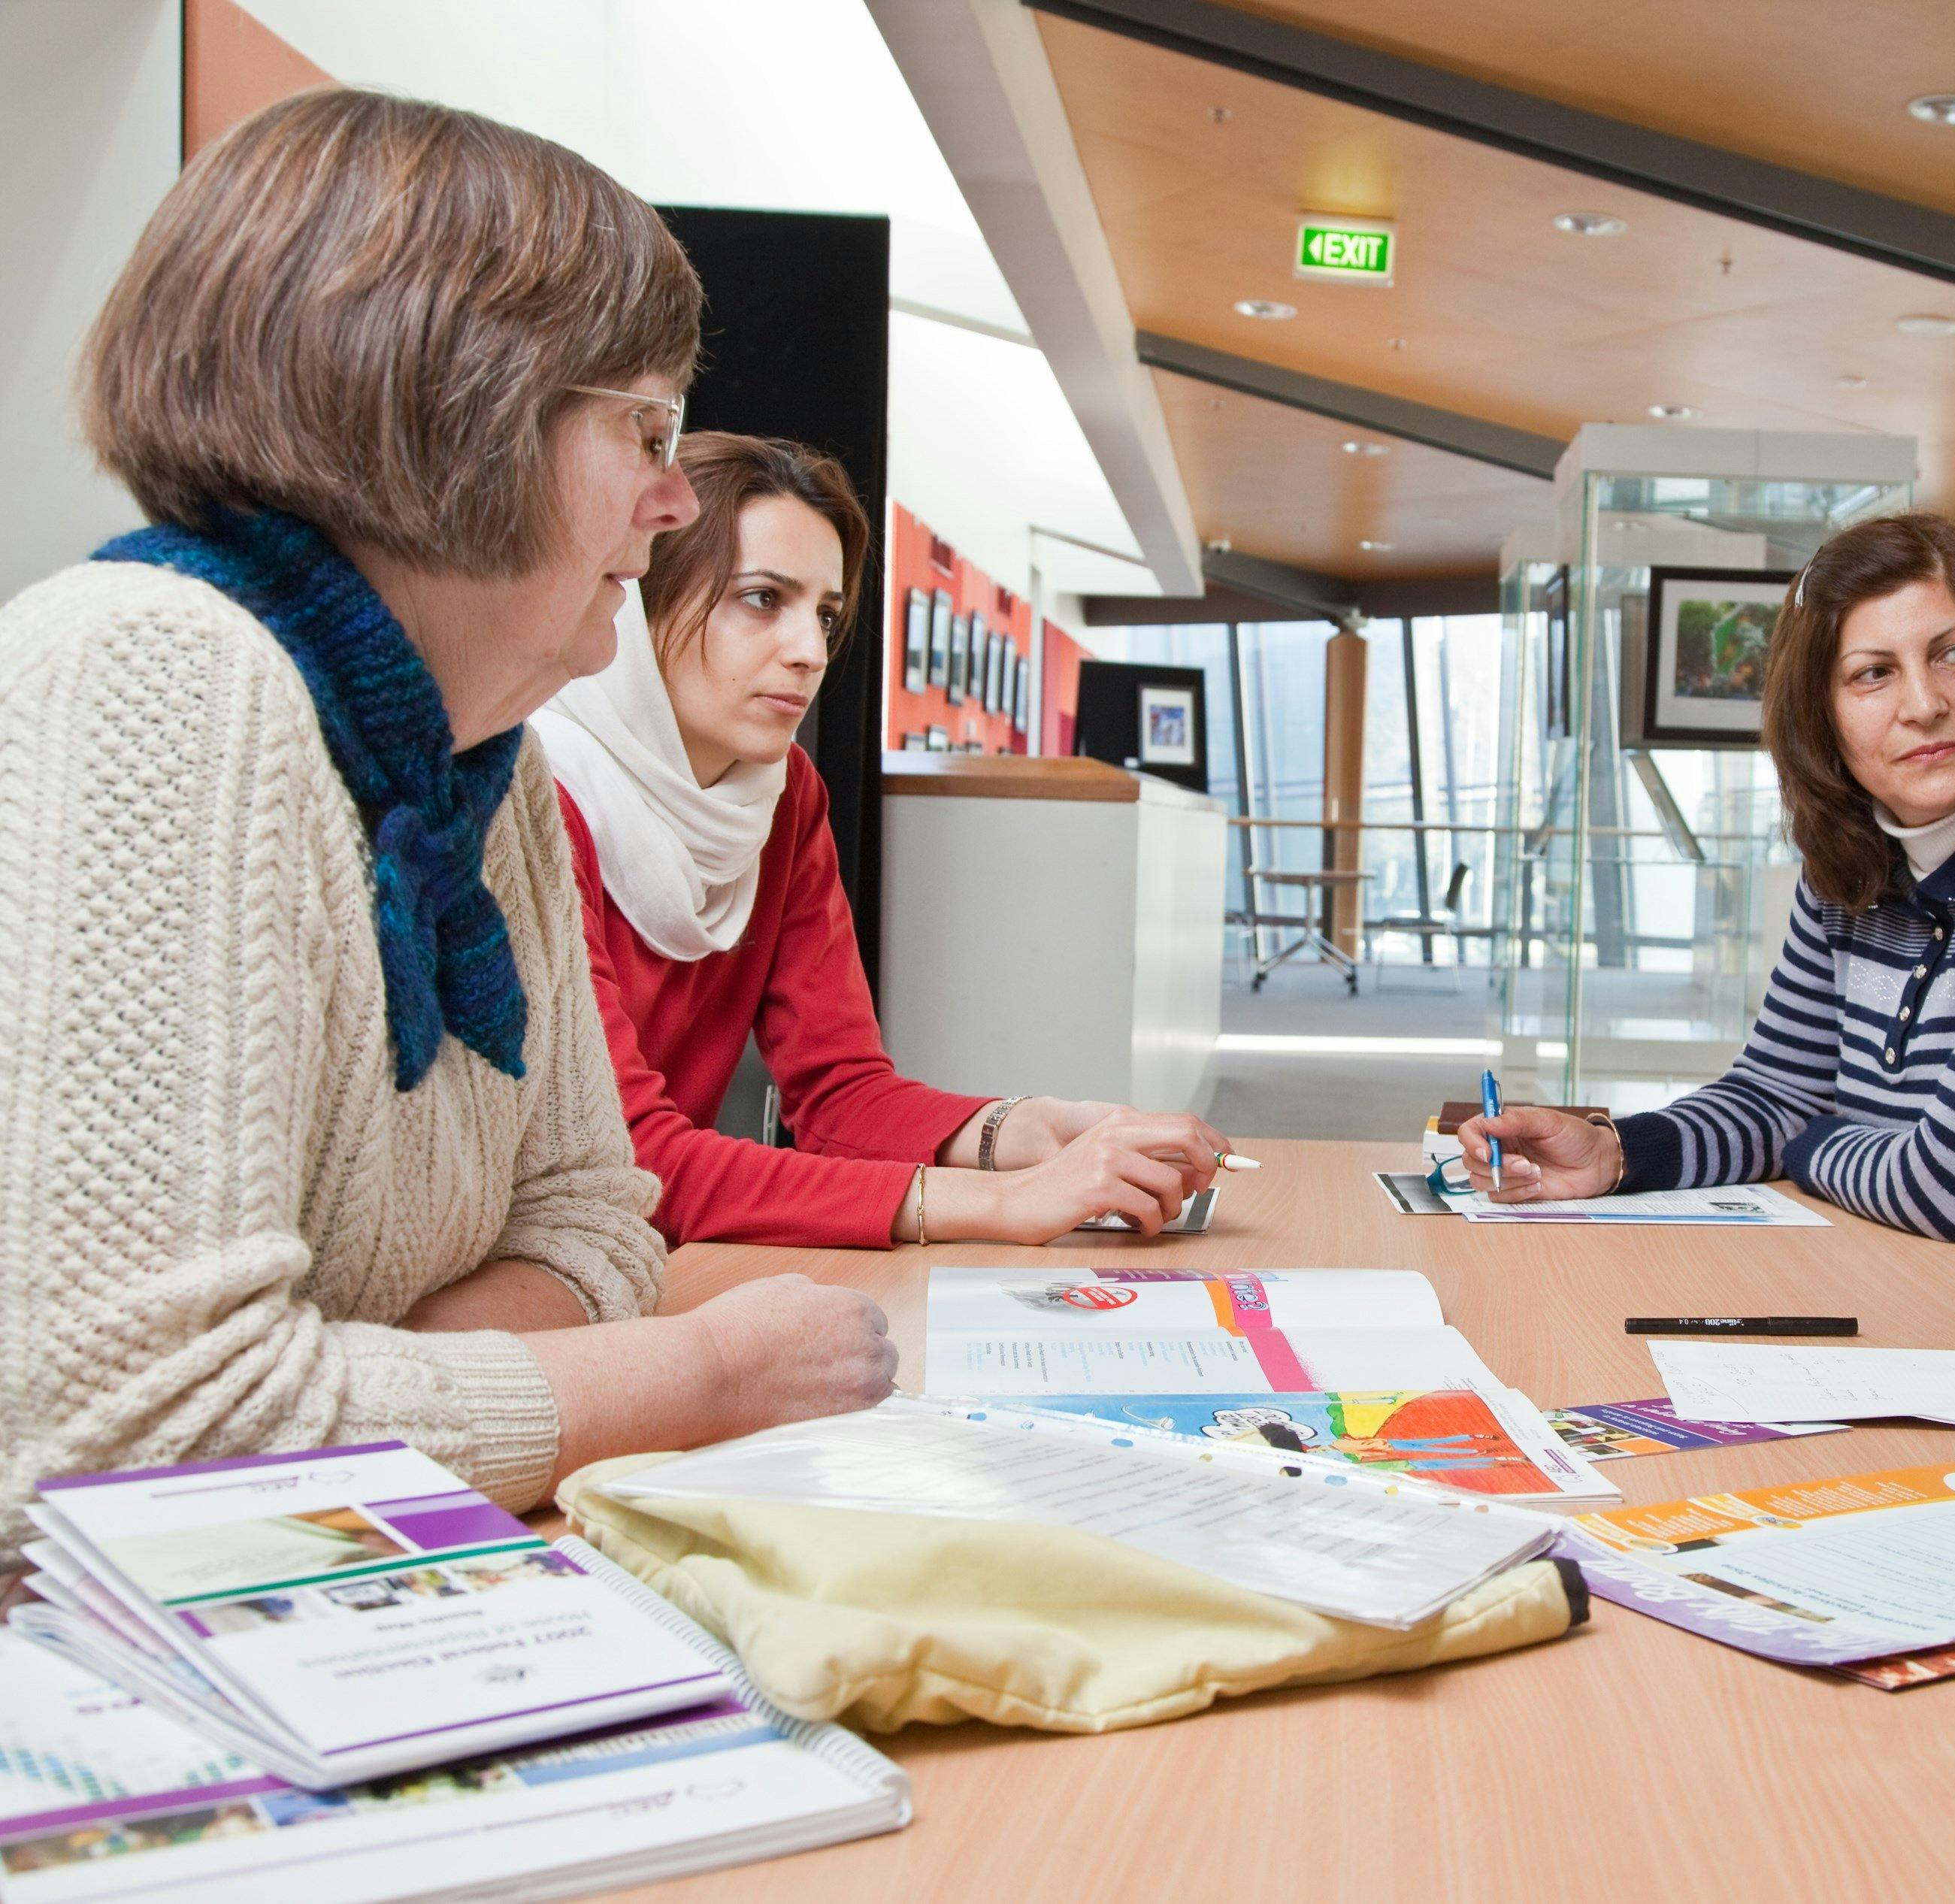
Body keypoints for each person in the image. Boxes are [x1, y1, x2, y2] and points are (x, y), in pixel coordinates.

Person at [0, 92, 896, 1565]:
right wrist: (696, 1372)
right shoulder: (152, 673)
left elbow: (601, 1226)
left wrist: (351, 1400)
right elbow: (133, 1441)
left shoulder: (490, 770)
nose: (673, 503)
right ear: (457, 410)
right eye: (645, 430)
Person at [1459, 513, 1955, 1345]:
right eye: (1873, 673)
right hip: (1937, 1314)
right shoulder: (1856, 858)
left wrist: (1810, 1142)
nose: (1924, 705)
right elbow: (1777, 1094)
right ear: (1822, 712)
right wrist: (1616, 1152)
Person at [532, 433, 1227, 1246]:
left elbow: (841, 1093)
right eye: (762, 598)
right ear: (641, 595)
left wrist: (1031, 1127)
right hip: (529, 1265)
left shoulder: (785, 793)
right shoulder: (532, 798)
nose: (810, 652)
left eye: (825, 615)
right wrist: (1005, 1201)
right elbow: (631, 1157)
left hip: (646, 1255)